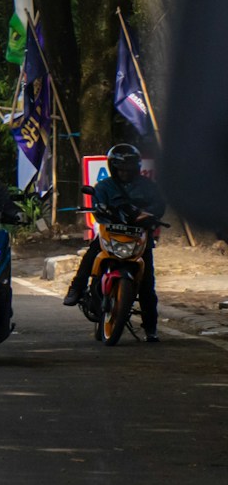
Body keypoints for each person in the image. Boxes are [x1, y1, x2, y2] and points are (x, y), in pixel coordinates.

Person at [63, 143, 165, 339]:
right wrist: (104, 211)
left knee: (147, 282)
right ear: (113, 168)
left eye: (129, 169)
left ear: (136, 168)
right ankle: (76, 288)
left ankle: (150, 327)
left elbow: (158, 205)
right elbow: (97, 206)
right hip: (111, 233)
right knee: (91, 254)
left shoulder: (148, 187)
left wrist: (149, 216)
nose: (125, 173)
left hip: (139, 237)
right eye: (121, 169)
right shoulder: (104, 186)